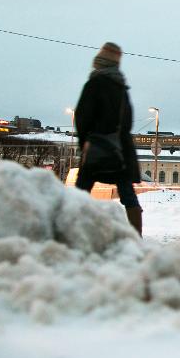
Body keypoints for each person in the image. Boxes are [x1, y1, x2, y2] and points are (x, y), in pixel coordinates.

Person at [74, 42, 143, 234]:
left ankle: (70, 233)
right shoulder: (121, 88)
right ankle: (137, 237)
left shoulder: (93, 84)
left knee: (80, 194)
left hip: (96, 147)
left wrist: (85, 143)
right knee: (128, 196)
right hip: (118, 151)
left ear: (99, 62)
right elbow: (128, 122)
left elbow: (82, 117)